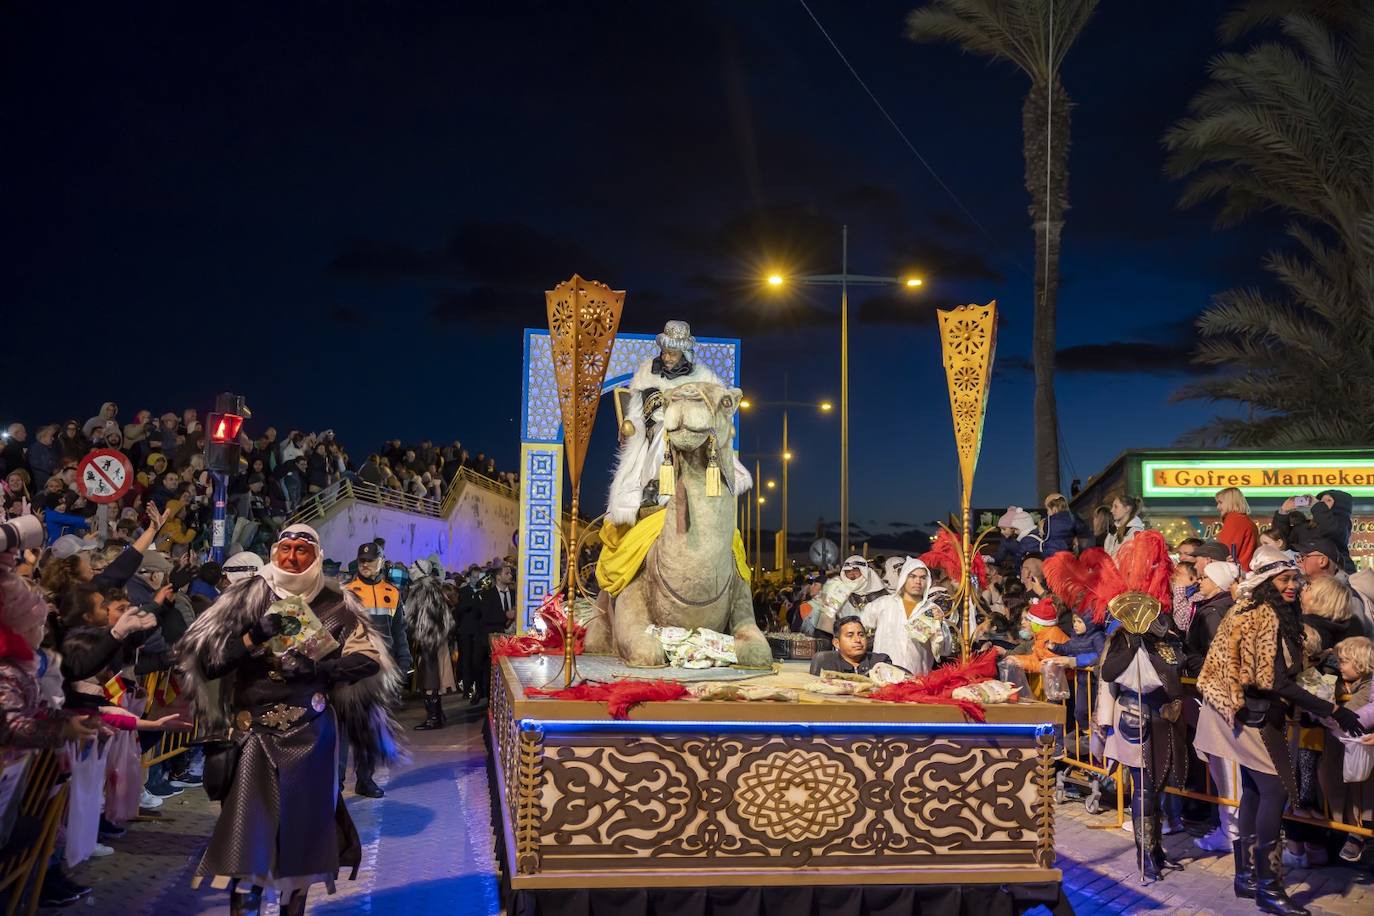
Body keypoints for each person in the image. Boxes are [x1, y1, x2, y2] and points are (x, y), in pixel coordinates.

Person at [176, 524, 402, 916]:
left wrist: (321, 667)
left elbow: (368, 659)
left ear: (316, 555)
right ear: (273, 551)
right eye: (285, 548)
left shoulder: (337, 601)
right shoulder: (246, 597)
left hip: (312, 736)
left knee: (302, 848)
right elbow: (208, 662)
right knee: (247, 845)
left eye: (302, 550)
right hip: (254, 734)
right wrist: (251, 638)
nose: (293, 558)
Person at [1196, 546, 1367, 916]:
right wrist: (1332, 708)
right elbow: (1273, 681)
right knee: (1275, 790)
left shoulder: (1268, 610)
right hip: (1243, 712)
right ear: (1267, 582)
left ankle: (1248, 878)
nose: (1292, 585)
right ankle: (1269, 888)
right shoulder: (1263, 615)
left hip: (1242, 709)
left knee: (1257, 790)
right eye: (1284, 579)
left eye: (1295, 579)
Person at [605, 320, 748, 525]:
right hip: (658, 429)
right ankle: (655, 485)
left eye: (672, 353)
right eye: (664, 352)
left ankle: (702, 486)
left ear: (684, 353)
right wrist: (630, 423)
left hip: (695, 428)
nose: (666, 357)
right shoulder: (647, 375)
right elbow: (636, 412)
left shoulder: (704, 378)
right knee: (666, 431)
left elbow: (717, 407)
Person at [1098, 596, 1187, 880]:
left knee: (1157, 785)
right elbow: (1108, 672)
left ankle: (1156, 849)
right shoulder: (1122, 636)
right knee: (1144, 787)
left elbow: (1178, 664)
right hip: (1135, 716)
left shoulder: (1166, 632)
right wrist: (1133, 647)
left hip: (1163, 717)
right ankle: (1144, 853)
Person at [342, 542, 411, 797]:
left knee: (370, 728)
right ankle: (337, 781)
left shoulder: (392, 593)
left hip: (380, 670)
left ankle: (364, 779)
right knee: (345, 729)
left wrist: (404, 662)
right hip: (352, 668)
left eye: (370, 560)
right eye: (362, 560)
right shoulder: (348, 592)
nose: (365, 564)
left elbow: (398, 632)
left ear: (381, 561)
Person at [1318, 636, 1374, 863]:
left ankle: (1358, 837)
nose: (1339, 666)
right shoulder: (1345, 682)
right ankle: (1349, 833)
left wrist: (1322, 710)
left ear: (1360, 663)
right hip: (1340, 750)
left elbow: (1343, 714)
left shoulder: (1366, 686)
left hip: (1360, 751)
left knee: (1362, 798)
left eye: (1343, 661)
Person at [863, 557, 952, 676]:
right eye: (913, 576)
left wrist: (939, 625)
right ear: (904, 578)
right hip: (883, 677)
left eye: (922, 578)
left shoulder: (932, 609)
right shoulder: (883, 604)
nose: (918, 582)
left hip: (916, 680)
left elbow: (945, 650)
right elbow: (859, 626)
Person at [405, 559, 454, 730]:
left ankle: (434, 718)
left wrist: (422, 636)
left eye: (413, 566)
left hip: (429, 640)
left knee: (429, 678)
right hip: (434, 639)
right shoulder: (431, 588)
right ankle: (438, 714)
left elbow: (426, 618)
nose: (410, 568)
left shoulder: (423, 589)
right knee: (431, 677)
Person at [474, 564, 516, 703]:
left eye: (510, 573)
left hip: (509, 637)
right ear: (498, 577)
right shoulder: (487, 594)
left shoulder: (515, 594)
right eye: (507, 573)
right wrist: (506, 616)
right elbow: (486, 617)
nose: (510, 575)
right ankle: (487, 695)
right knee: (488, 668)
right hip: (491, 636)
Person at [809, 615, 898, 676]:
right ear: (837, 643)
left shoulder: (880, 662)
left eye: (861, 635)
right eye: (850, 635)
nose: (858, 640)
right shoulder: (826, 663)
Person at [1214, 487, 1258, 571]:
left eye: (1220, 502)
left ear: (1230, 502)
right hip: (1246, 571)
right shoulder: (1245, 520)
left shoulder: (1234, 519)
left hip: (1235, 573)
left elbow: (1225, 551)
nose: (1218, 507)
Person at [995, 506, 1044, 573]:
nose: (1001, 532)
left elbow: (1018, 556)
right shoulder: (1038, 535)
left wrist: (1018, 572)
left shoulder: (1025, 540)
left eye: (1004, 529)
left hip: (1031, 570)